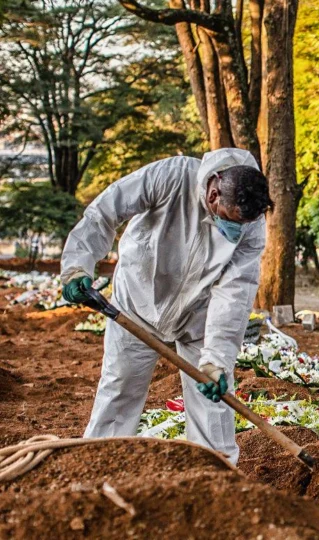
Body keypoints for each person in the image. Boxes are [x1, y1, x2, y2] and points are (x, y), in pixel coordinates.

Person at [59, 149, 273, 464]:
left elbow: (235, 293)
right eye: (230, 221)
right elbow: (106, 210)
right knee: (120, 391)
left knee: (213, 402)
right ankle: (98, 462)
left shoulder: (251, 227)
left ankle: (216, 473)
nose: (235, 231)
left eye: (242, 224)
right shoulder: (172, 176)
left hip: (198, 317)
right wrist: (78, 266)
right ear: (213, 194)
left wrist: (216, 360)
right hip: (137, 303)